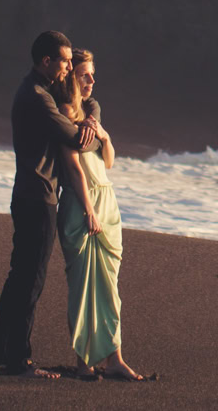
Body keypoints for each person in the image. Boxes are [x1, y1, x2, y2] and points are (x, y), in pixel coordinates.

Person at [0, 29, 99, 378]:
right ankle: (20, 360)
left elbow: (85, 101)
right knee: (31, 280)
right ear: (46, 61)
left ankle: (1, 351)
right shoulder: (38, 97)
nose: (69, 67)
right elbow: (72, 138)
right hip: (39, 199)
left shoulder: (38, 89)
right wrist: (96, 135)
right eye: (65, 61)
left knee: (18, 275)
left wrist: (92, 117)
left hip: (26, 195)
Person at [55, 50, 146, 381]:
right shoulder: (64, 112)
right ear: (71, 77)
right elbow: (72, 165)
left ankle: (114, 358)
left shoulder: (91, 112)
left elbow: (107, 161)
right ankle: (83, 363)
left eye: (92, 74)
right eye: (84, 75)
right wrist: (88, 211)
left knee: (109, 286)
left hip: (106, 199)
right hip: (82, 205)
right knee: (82, 288)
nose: (92, 80)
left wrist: (104, 135)